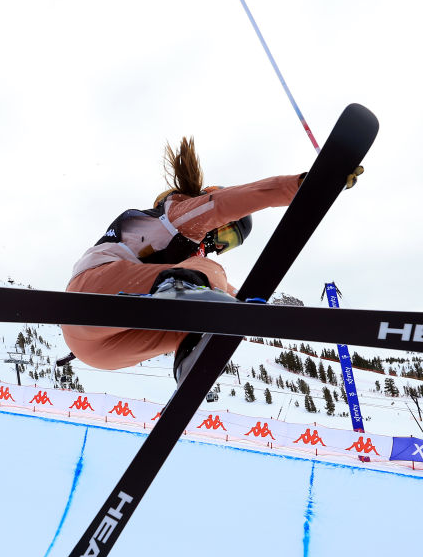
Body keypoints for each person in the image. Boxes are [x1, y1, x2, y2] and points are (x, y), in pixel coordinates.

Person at [62, 137, 318, 380]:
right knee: (205, 271)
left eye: (229, 243)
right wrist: (296, 187)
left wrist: (259, 314)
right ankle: (181, 292)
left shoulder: (187, 259)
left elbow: (223, 293)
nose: (217, 245)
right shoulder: (177, 215)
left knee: (203, 313)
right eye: (225, 233)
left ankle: (193, 361)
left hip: (101, 351)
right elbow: (223, 204)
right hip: (91, 292)